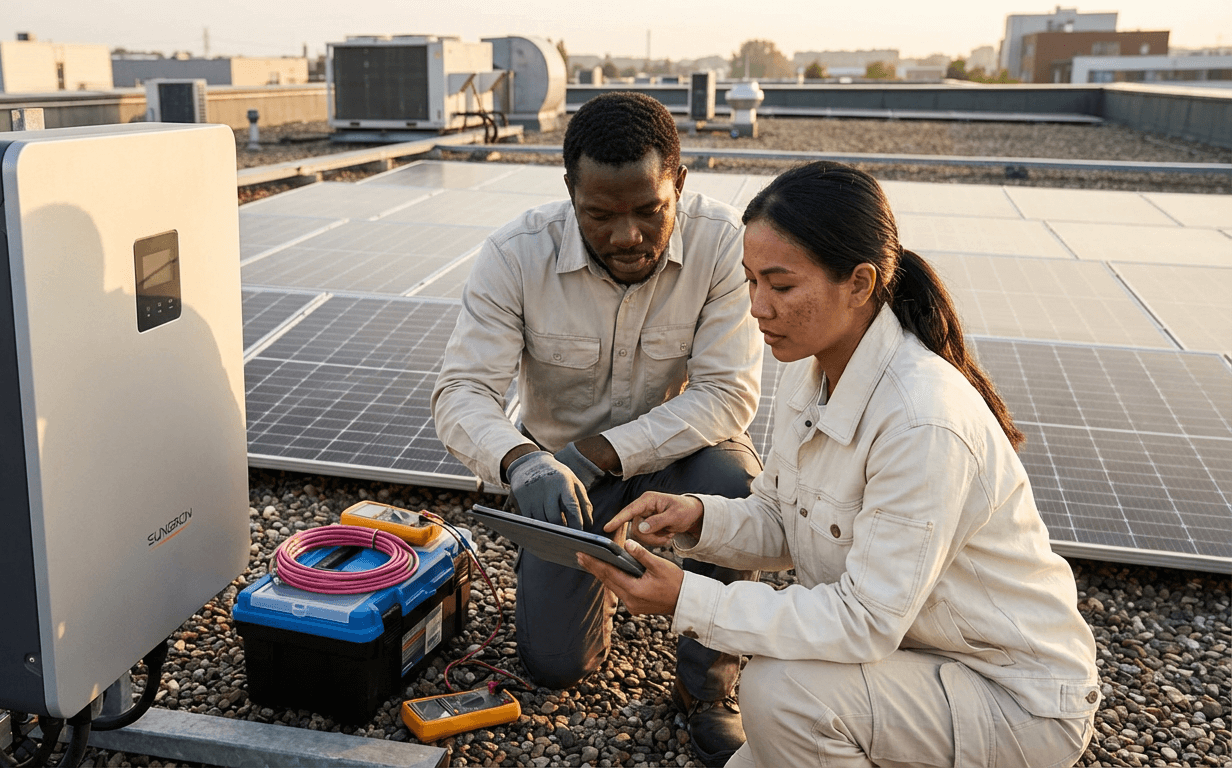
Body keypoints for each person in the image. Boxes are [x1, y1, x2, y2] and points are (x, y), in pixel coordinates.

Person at [579, 161, 1102, 767]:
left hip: (1013, 697)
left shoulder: (921, 421)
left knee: (781, 691)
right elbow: (785, 518)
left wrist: (686, 600)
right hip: (915, 664)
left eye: (781, 285)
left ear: (859, 283)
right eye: (749, 281)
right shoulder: (817, 374)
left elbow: (863, 621)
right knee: (774, 723)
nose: (757, 308)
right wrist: (695, 518)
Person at [432, 92, 764, 766]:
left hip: (679, 466)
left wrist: (601, 451)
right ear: (569, 193)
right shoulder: (516, 254)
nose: (626, 237)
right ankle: (587, 580)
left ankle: (709, 681)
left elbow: (728, 394)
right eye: (599, 215)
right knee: (556, 666)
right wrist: (524, 461)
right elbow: (461, 392)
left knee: (738, 486)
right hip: (565, 488)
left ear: (681, 183)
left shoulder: (726, 245)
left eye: (649, 212)